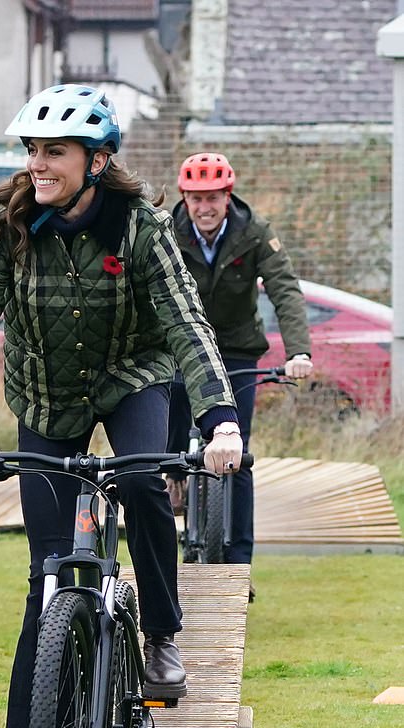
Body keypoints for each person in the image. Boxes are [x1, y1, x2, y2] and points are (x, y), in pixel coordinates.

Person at [0, 85, 242, 728]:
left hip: (133, 377)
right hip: (46, 397)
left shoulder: (138, 225)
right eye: (32, 151)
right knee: (47, 574)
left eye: (55, 152)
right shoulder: (14, 224)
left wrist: (220, 418)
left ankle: (161, 630)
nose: (39, 164)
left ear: (97, 161)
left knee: (140, 485)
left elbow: (186, 324)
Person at [168, 152, 313, 587]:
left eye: (213, 198)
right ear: (185, 200)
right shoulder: (166, 232)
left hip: (235, 349)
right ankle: (174, 475)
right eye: (196, 199)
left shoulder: (254, 233)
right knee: (169, 408)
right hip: (179, 345)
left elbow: (285, 289)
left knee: (239, 456)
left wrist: (299, 351)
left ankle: (238, 564)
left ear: (227, 197)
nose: (204, 208)